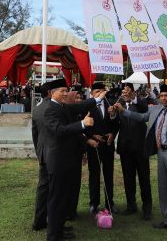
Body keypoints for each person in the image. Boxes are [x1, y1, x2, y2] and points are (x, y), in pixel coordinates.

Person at [112, 84, 167, 237]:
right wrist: (123, 111)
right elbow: (141, 117)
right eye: (161, 96)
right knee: (163, 188)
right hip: (161, 154)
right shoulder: (155, 109)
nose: (163, 98)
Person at [42, 78, 105, 241]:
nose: (65, 93)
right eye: (61, 91)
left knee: (63, 198)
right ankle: (53, 235)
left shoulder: (62, 106)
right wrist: (82, 124)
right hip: (58, 162)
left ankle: (60, 228)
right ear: (51, 93)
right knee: (56, 199)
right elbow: (59, 131)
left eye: (66, 90)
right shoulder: (50, 109)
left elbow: (79, 106)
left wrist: (97, 99)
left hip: (67, 160)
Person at [116, 83, 153, 219]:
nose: (124, 93)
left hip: (140, 147)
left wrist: (134, 99)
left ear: (132, 92)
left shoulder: (139, 104)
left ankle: (147, 208)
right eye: (123, 91)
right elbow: (115, 123)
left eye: (127, 91)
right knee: (128, 178)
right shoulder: (118, 103)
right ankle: (131, 205)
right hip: (125, 148)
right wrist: (113, 114)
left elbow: (145, 109)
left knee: (144, 178)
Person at [85, 82, 120, 215]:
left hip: (108, 144)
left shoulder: (110, 104)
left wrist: (112, 133)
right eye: (96, 92)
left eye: (102, 91)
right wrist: (92, 136)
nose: (100, 94)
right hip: (94, 145)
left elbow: (116, 123)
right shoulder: (88, 105)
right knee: (94, 174)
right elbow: (83, 125)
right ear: (92, 93)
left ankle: (109, 202)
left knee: (108, 174)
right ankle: (94, 203)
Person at [31, 85, 49, 231]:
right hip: (55, 156)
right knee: (55, 191)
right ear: (50, 92)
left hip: (43, 154)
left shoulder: (36, 108)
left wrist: (39, 154)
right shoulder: (54, 108)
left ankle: (39, 221)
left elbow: (34, 135)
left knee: (43, 188)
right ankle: (55, 224)